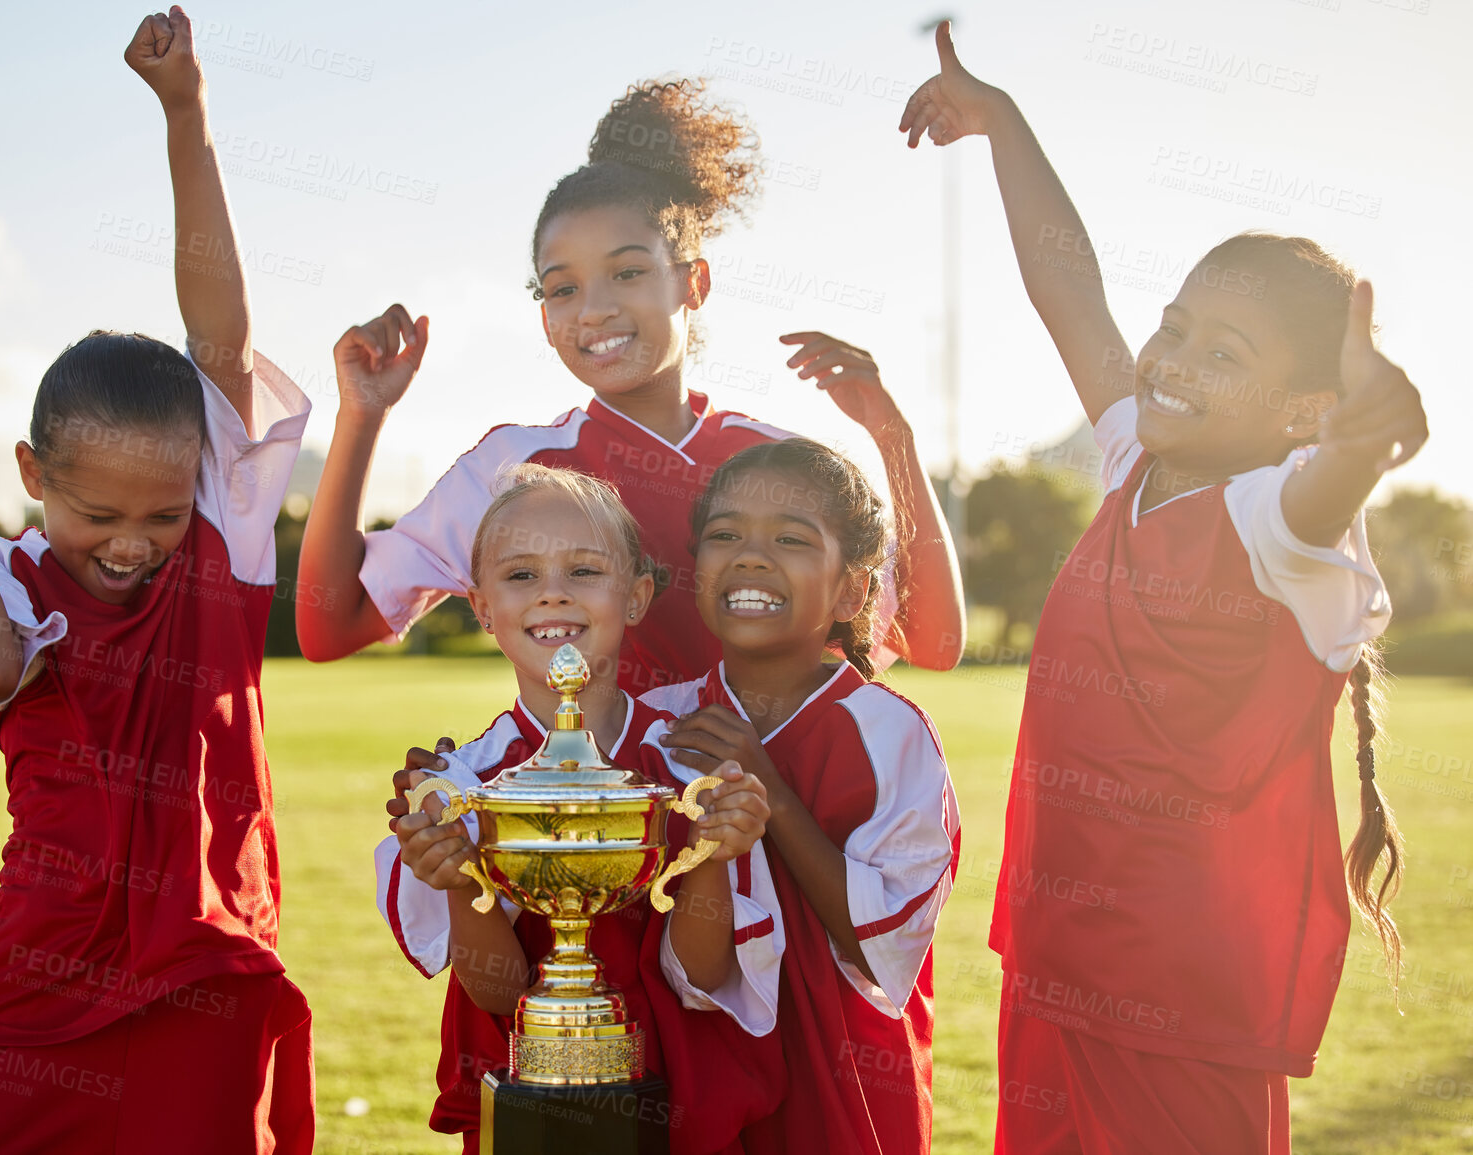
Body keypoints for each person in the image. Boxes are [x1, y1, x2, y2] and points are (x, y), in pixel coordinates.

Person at [899, 21, 1427, 1153]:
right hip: (1059, 959)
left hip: (1186, 1003)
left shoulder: (1276, 524)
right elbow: (1066, 286)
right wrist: (1003, 121)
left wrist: (1367, 444)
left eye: (1225, 355)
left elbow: (1321, 491)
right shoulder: (1136, 457)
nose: (1175, 360)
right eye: (1175, 328)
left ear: (1303, 412)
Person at [0, 9, 315, 1151]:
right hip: (43, 964)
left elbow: (218, 336)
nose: (130, 542)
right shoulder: (2, 571)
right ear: (31, 475)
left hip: (206, 954)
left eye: (161, 515)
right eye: (96, 514)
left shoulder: (223, 533)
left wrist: (186, 114)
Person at [296, 77, 965, 693]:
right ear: (543, 313)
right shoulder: (510, 469)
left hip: (751, 819)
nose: (592, 309)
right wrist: (361, 416)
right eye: (562, 287)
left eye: (626, 273)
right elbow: (330, 627)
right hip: (584, 817)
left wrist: (891, 435)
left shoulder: (778, 464)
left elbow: (929, 639)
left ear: (691, 282)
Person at [377, 465, 785, 1153]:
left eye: (584, 570)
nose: (554, 594)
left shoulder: (690, 767)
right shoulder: (458, 783)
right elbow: (501, 994)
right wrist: (454, 879)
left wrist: (718, 849)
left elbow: (704, 976)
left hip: (677, 1104)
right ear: (480, 607)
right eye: (521, 575)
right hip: (532, 1110)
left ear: (636, 596)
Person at [656, 438, 960, 1153]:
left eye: (790, 539)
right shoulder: (659, 724)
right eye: (724, 534)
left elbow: (884, 939)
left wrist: (772, 795)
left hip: (844, 1091)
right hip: (687, 1083)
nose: (751, 556)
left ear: (853, 590)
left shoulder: (889, 731)